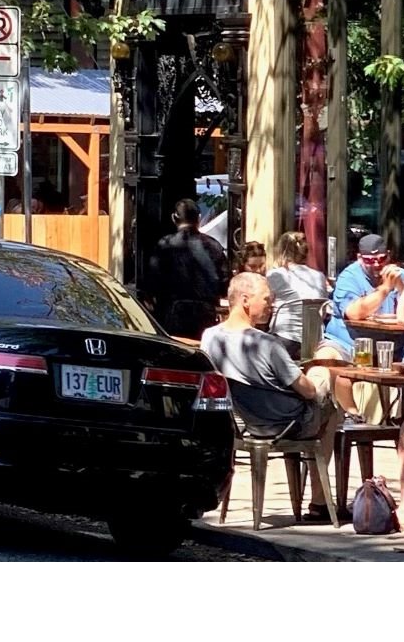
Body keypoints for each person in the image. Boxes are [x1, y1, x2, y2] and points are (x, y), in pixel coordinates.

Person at [201, 272, 340, 523]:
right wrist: (318, 379)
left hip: (246, 422)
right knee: (327, 396)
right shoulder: (267, 344)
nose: (271, 305)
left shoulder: (210, 337)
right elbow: (308, 391)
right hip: (288, 421)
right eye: (266, 299)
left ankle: (311, 498)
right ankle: (319, 501)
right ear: (245, 300)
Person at [318, 233, 404, 420]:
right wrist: (384, 289)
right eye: (370, 260)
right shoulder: (349, 277)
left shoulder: (399, 275)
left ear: (388, 256)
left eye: (381, 259)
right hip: (347, 342)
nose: (376, 264)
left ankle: (402, 420)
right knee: (323, 362)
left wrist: (401, 288)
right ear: (360, 258)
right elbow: (353, 313)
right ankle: (349, 417)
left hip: (390, 347)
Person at [143, 200, 228, 341]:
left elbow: (152, 283)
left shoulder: (164, 245)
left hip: (173, 313)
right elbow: (224, 284)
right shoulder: (214, 246)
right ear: (199, 218)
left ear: (173, 218)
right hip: (205, 315)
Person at [266, 230, 331, 354]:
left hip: (284, 337)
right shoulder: (319, 276)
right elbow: (322, 310)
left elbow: (265, 302)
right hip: (313, 340)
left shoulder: (276, 275)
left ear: (281, 252)